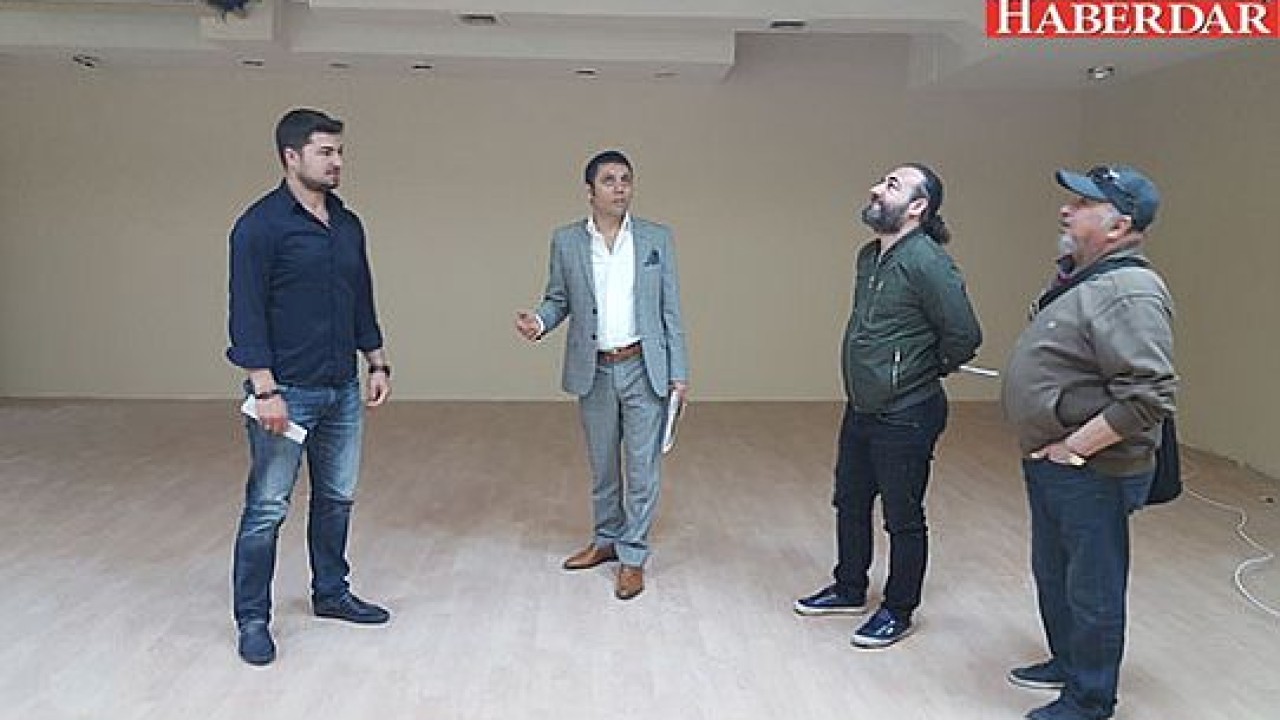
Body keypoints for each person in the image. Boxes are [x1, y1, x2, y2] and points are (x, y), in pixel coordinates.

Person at [1001, 165, 1176, 720]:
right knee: (1054, 572)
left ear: (1119, 225)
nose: (1066, 209)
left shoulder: (1128, 292)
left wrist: (1076, 447)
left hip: (1091, 469)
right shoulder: (1083, 280)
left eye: (1082, 204)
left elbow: (1149, 394)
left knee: (1092, 587)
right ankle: (1069, 662)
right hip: (1054, 462)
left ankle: (1090, 699)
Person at [226, 108, 392, 666]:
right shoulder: (259, 227)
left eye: (339, 151)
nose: (337, 161)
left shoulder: (347, 225)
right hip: (285, 392)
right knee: (267, 508)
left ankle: (331, 593)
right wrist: (265, 390)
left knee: (337, 497)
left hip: (342, 387)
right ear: (291, 156)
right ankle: (253, 619)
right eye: (325, 152)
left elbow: (360, 298)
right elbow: (246, 313)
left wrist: (377, 362)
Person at [794, 163, 982, 649]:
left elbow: (964, 334)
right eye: (881, 181)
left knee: (902, 516)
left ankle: (898, 609)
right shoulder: (869, 256)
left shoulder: (928, 262)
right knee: (850, 501)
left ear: (918, 207)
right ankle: (849, 587)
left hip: (908, 412)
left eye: (892, 185)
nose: (876, 188)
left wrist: (923, 369)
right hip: (863, 406)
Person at [515, 150, 689, 601]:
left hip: (644, 367)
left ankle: (633, 557)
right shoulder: (567, 241)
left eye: (626, 179)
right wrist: (540, 321)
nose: (619, 187)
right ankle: (607, 539)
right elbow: (558, 299)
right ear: (590, 191)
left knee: (642, 468)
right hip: (593, 369)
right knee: (603, 466)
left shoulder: (656, 238)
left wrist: (679, 372)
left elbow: (670, 309)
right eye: (609, 180)